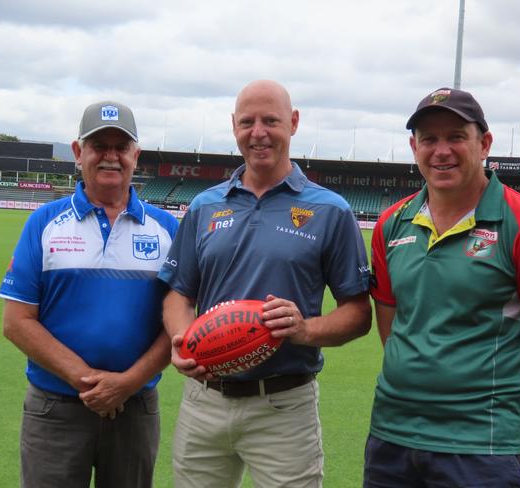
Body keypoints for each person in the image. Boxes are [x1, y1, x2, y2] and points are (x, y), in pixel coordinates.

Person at [158, 79, 372, 488]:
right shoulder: (205, 206)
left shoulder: (330, 210)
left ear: (293, 123)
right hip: (205, 400)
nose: (258, 132)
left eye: (270, 120)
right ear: (234, 127)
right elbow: (178, 293)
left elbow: (358, 313)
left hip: (284, 405)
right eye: (247, 122)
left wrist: (305, 329)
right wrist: (183, 337)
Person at [365, 87, 520, 487]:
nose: (441, 150)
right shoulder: (392, 224)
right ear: (414, 147)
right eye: (429, 139)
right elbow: (394, 332)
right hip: (391, 440)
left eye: (456, 137)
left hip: (482, 449)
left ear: (484, 143)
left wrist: (513, 447)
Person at [0, 100, 178, 488]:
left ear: (136, 155)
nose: (111, 156)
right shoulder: (43, 223)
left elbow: (180, 324)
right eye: (99, 145)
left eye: (121, 146)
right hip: (55, 407)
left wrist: (127, 383)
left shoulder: (167, 229)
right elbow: (16, 322)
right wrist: (90, 381)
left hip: (135, 408)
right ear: (79, 153)